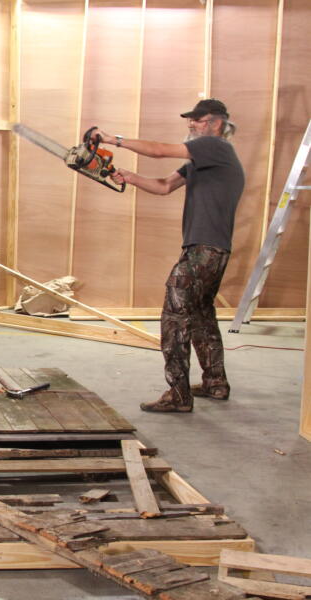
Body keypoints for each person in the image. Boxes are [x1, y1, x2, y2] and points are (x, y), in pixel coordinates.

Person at [92, 98, 244, 413]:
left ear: (216, 123)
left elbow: (160, 150)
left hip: (204, 248)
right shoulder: (202, 161)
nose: (191, 124)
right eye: (190, 120)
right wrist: (129, 177)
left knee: (175, 316)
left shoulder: (217, 147)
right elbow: (163, 186)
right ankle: (216, 383)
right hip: (211, 249)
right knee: (201, 315)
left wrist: (111, 139)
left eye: (198, 120)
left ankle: (178, 395)